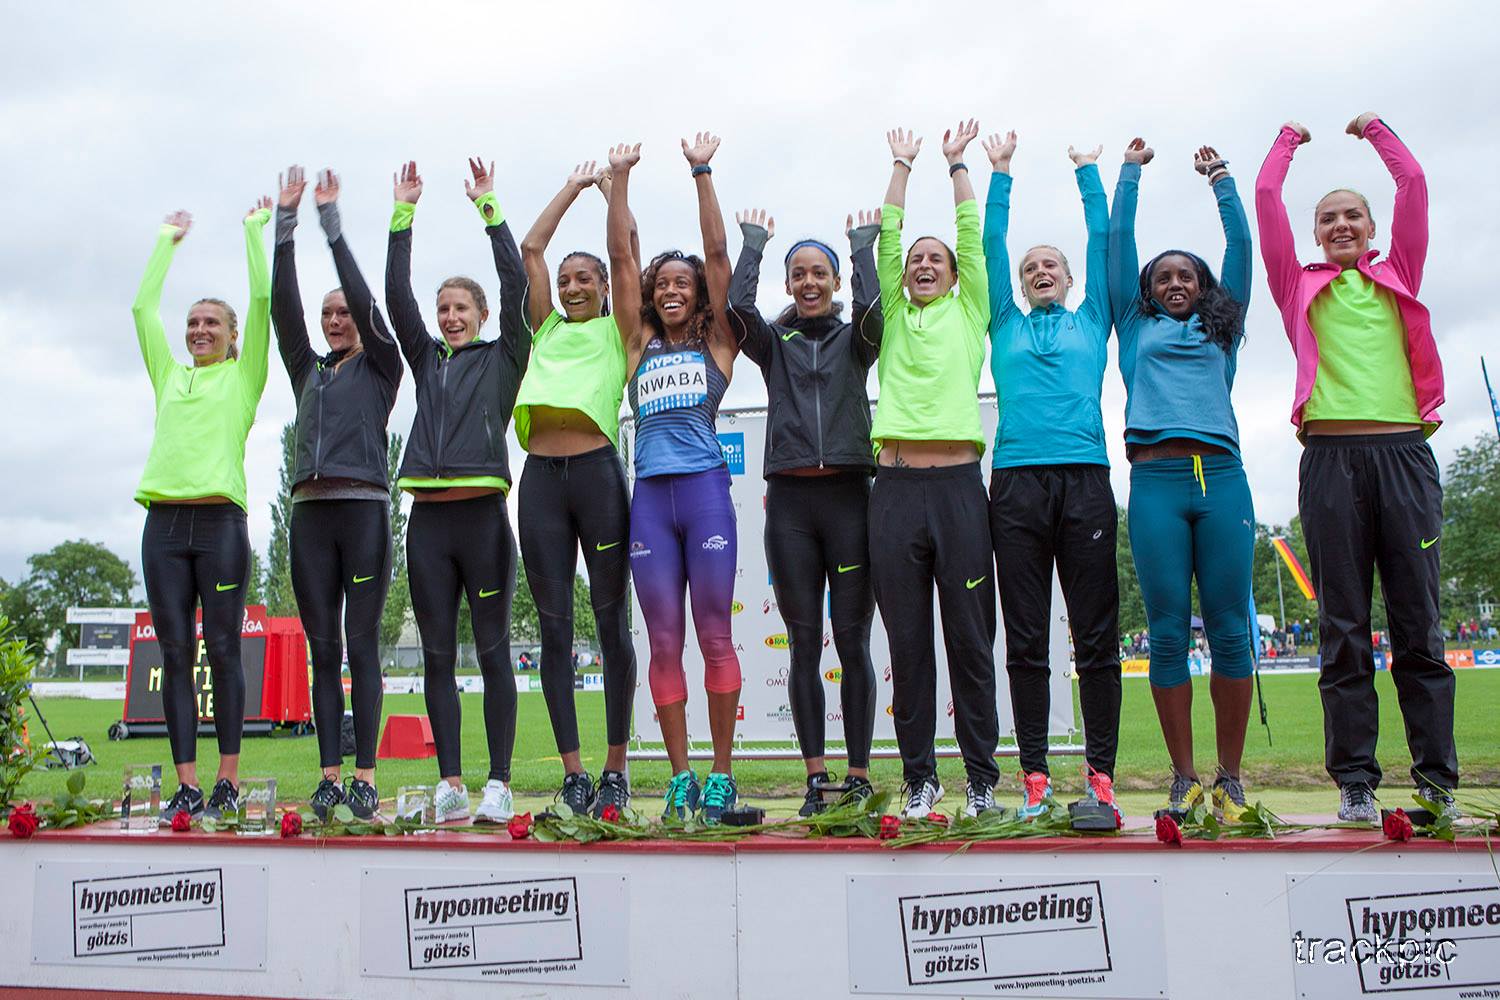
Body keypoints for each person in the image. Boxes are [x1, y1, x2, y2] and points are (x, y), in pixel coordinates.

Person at [1255, 114, 1456, 822]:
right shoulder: (1296, 284)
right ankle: (1356, 785)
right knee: (1343, 627)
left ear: (1372, 230)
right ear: (1315, 235)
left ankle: (1436, 783)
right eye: (1329, 218)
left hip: (1405, 456)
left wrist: (1374, 130)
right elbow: (1267, 200)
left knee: (1419, 627)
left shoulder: (1398, 272)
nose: (1341, 225)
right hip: (1331, 461)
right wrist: (1286, 142)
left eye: (1353, 216)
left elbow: (1415, 182)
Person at [1110, 137, 1256, 821]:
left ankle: (1229, 776)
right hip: (1156, 484)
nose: (1174, 283)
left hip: (1222, 479)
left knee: (1231, 630)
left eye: (1186, 277)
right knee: (1167, 632)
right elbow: (1117, 245)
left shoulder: (1222, 329)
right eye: (1162, 277)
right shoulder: (1134, 329)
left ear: (1203, 289)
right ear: (1146, 292)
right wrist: (1129, 176)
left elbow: (1240, 252)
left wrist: (1221, 181)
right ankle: (1183, 776)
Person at [980, 130, 1122, 823]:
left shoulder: (1094, 319)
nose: (1040, 271)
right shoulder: (1002, 321)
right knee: (1028, 636)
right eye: (1031, 266)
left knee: (1096, 636)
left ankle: (1101, 779)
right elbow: (988, 248)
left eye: (1051, 266)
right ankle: (1034, 777)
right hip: (1016, 485)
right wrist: (1000, 172)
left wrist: (1090, 174)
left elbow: (1103, 243)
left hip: (1086, 481)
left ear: (1069, 280)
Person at [726, 198, 884, 816]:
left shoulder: (854, 341)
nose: (810, 283)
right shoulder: (776, 344)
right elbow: (739, 312)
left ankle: (861, 774)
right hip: (791, 503)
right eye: (799, 275)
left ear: (835, 281)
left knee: (853, 643)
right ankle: (817, 779)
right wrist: (754, 246)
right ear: (788, 284)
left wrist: (865, 248)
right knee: (802, 643)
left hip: (849, 499)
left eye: (820, 273)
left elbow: (876, 314)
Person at [385, 158, 529, 824]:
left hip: (483, 522)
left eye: (460, 308)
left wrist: (489, 208)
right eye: (443, 309)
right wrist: (402, 216)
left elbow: (514, 279)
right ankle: (450, 782)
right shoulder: (424, 359)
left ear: (483, 314)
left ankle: (499, 783)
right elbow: (394, 299)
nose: (447, 317)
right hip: (428, 528)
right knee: (436, 657)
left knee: (494, 651)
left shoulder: (503, 358)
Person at [607, 135, 744, 823]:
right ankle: (682, 775)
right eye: (661, 285)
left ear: (698, 299)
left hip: (705, 493)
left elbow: (719, 257)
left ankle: (722, 775)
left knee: (714, 634)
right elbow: (621, 260)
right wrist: (620, 182)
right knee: (663, 643)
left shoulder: (719, 343)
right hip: (650, 504)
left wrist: (701, 173)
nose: (668, 289)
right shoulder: (635, 347)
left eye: (680, 285)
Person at [870, 121, 1000, 819]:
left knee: (971, 643)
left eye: (935, 260)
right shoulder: (894, 312)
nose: (921, 264)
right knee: (910, 647)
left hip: (957, 490)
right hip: (892, 490)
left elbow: (972, 237)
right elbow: (888, 234)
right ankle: (921, 779)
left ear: (953, 276)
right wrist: (900, 163)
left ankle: (982, 779)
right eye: (915, 259)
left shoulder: (970, 310)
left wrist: (956, 166)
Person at [133, 199, 271, 824]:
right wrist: (167, 240)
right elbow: (141, 310)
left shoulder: (243, 379)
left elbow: (264, 303)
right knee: (174, 653)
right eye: (193, 323)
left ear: (232, 334)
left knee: (221, 646)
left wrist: (253, 230)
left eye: (211, 323)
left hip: (220, 526)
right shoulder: (169, 375)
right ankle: (186, 785)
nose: (198, 331)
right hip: (162, 526)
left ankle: (226, 781)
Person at [271, 166, 403, 821]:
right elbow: (281, 309)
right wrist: (285, 227)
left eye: (345, 312)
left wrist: (332, 228)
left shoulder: (383, 367)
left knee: (362, 644)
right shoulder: (307, 371)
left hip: (364, 511)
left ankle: (366, 777)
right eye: (328, 314)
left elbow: (362, 297)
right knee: (323, 649)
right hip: (310, 516)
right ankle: (328, 777)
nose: (334, 319)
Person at [515, 160, 640, 818]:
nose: (569, 287)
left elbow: (624, 254)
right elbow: (531, 247)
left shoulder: (616, 333)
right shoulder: (545, 328)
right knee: (554, 630)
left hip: (595, 476)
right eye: (564, 281)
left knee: (613, 623)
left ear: (601, 288)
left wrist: (613, 186)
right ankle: (573, 773)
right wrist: (569, 184)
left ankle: (617, 768)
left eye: (581, 279)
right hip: (540, 482)